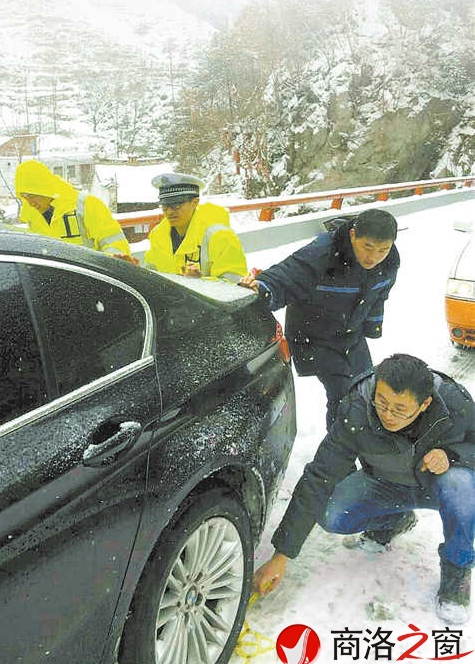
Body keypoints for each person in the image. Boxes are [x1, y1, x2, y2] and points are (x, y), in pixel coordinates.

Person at [253, 354, 474, 624]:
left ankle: (457, 570)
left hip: (437, 485)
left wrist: (451, 455)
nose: (387, 415)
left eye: (399, 409)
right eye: (381, 402)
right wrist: (281, 555)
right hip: (385, 483)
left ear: (424, 404)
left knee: (462, 488)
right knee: (332, 513)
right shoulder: (358, 405)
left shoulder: (454, 403)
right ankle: (394, 519)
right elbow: (320, 475)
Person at [239, 208, 399, 429]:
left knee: (367, 389)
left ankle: (360, 446)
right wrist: (261, 289)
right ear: (353, 235)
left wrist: (373, 326)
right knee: (345, 396)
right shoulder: (323, 254)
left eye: (383, 249)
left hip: (350, 333)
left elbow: (378, 295)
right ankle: (337, 456)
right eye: (367, 247)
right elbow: (285, 277)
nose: (373, 257)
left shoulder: (389, 262)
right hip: (314, 336)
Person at [14, 160, 133, 259]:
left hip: (90, 279)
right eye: (24, 197)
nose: (30, 203)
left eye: (31, 195)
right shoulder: (32, 215)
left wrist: (110, 261)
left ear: (43, 189)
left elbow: (114, 241)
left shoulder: (86, 205)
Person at [144, 172, 247, 282]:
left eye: (176, 206)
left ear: (195, 202)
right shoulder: (158, 235)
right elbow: (151, 274)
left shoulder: (220, 236)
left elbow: (235, 284)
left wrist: (198, 283)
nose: (169, 212)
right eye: (165, 206)